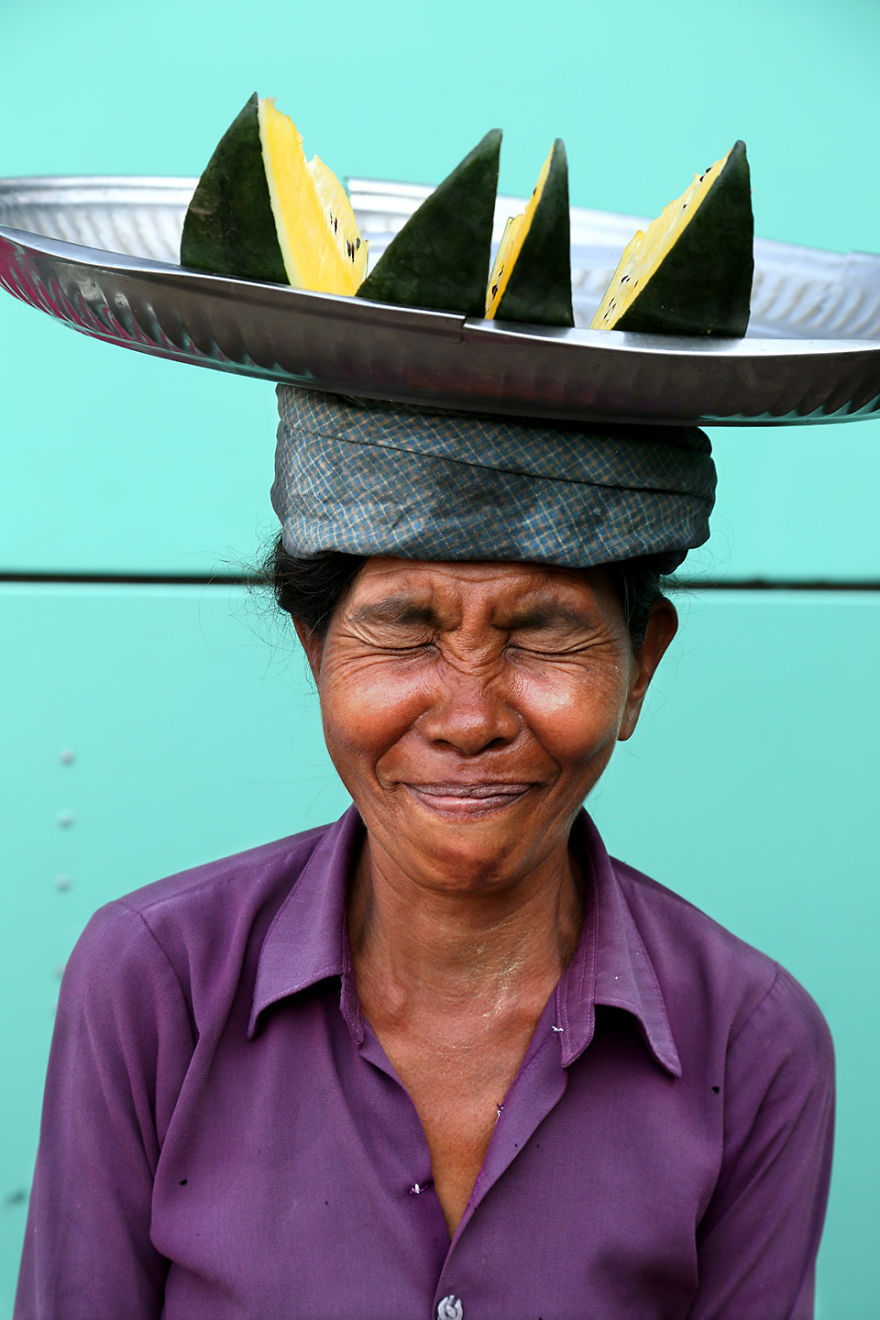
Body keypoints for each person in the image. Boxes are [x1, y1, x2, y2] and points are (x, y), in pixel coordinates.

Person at [15, 387, 834, 1320]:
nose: (470, 718)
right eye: (406, 632)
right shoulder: (154, 982)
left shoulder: (753, 1040)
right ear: (316, 651)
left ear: (639, 666)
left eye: (542, 636)